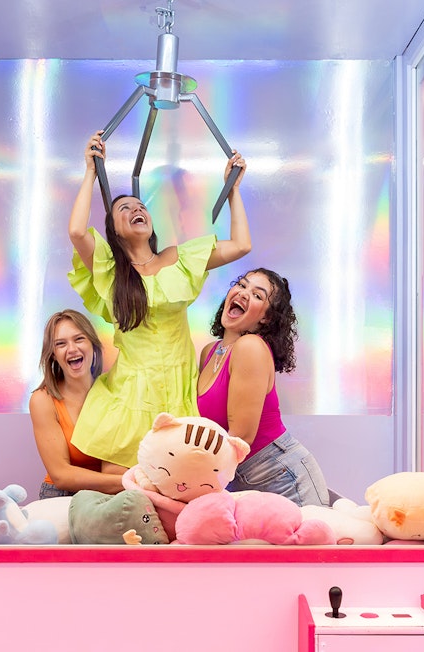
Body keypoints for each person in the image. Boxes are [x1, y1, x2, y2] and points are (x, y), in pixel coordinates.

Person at [67, 130, 251, 473]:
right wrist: (91, 171)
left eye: (140, 207)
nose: (137, 209)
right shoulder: (110, 270)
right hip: (131, 392)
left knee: (180, 480)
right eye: (124, 208)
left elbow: (241, 245)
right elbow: (77, 232)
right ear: (114, 230)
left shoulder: (178, 258)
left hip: (179, 388)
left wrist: (233, 191)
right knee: (122, 481)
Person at [196, 268, 329, 507]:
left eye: (257, 295)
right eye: (242, 285)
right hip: (239, 481)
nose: (244, 293)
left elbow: (241, 437)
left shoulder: (250, 346)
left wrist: (193, 475)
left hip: (281, 479)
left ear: (266, 318)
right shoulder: (210, 352)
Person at [28, 309, 125, 499]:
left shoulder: (117, 391)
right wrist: (128, 482)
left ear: (93, 345)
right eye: (61, 344)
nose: (72, 349)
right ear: (53, 354)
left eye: (79, 339)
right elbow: (61, 475)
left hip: (111, 494)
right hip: (62, 495)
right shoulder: (43, 399)